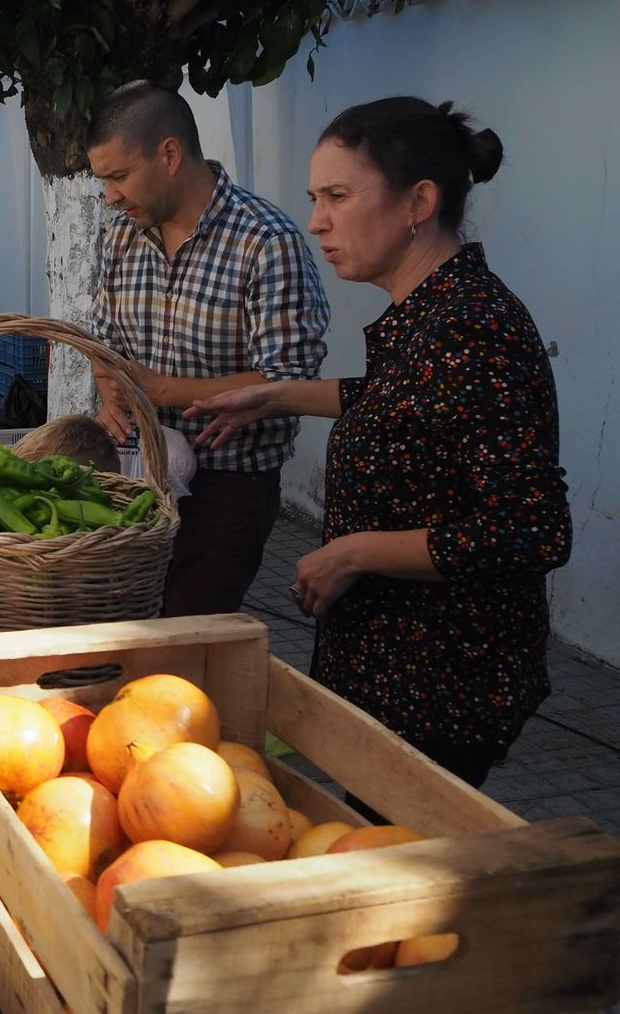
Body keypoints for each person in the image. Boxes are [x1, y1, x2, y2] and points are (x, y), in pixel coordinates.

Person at [186, 97, 571, 791]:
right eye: (314, 197)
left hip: (440, 686)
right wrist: (274, 395)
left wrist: (355, 552)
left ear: (418, 200)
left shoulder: (472, 327)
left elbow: (530, 530)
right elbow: (401, 405)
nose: (316, 222)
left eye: (337, 195)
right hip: (387, 675)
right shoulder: (428, 314)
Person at [84, 80, 330, 617]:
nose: (110, 197)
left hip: (229, 484)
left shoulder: (265, 241)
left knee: (186, 631)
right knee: (123, 624)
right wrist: (109, 390)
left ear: (169, 154)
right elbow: (103, 344)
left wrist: (160, 389)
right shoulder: (119, 238)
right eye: (103, 181)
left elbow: (290, 379)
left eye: (119, 176)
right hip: (138, 472)